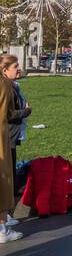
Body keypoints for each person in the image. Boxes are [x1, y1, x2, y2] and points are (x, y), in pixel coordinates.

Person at [0, 56, 25, 244]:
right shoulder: (5, 85)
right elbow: (8, 113)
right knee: (4, 181)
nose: (19, 69)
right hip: (2, 138)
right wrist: (26, 111)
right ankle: (2, 228)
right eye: (15, 66)